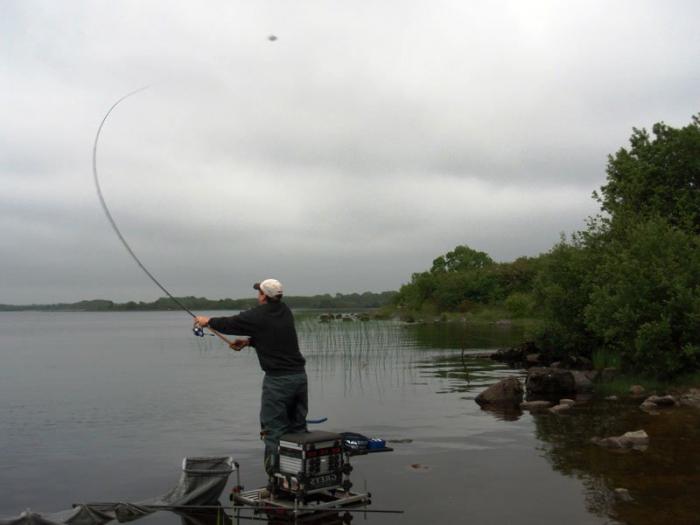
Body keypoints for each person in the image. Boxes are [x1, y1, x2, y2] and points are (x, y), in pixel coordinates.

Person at [194, 278, 308, 476]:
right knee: (297, 428)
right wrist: (249, 342)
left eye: (259, 292)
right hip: (299, 378)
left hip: (278, 382)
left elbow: (231, 323)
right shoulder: (285, 311)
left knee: (274, 432)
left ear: (264, 295)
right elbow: (274, 334)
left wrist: (208, 321)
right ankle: (300, 475)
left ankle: (277, 480)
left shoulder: (258, 315)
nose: (258, 295)